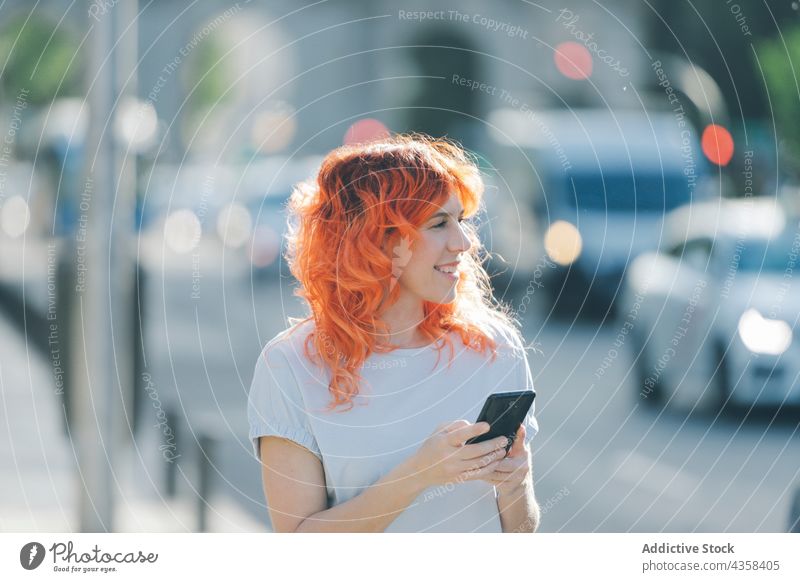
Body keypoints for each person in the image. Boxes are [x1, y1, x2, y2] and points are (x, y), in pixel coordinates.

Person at [247, 134, 540, 532]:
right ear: (374, 240)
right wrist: (419, 474)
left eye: (462, 220)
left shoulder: (494, 347)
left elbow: (521, 533)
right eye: (439, 223)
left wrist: (515, 484)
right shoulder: (290, 365)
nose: (465, 241)